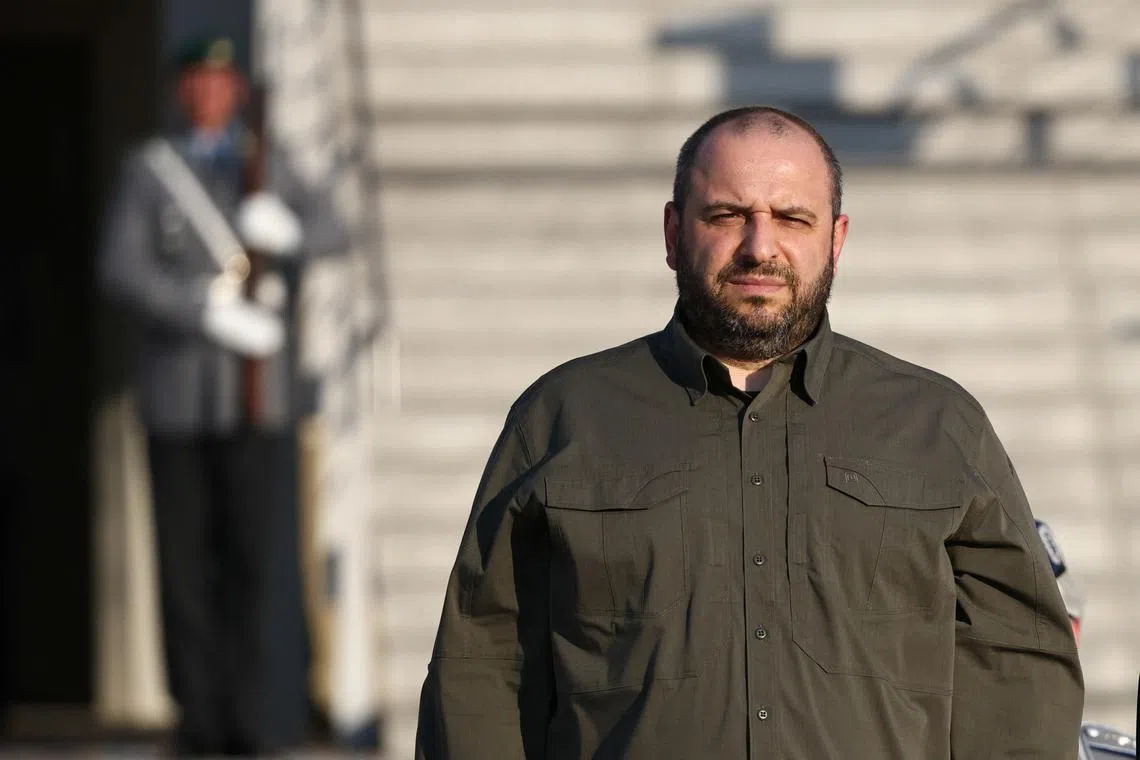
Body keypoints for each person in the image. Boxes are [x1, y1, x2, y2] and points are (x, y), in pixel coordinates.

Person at [414, 106, 1084, 759]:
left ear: (836, 239)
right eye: (727, 215)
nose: (760, 246)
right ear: (674, 233)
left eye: (792, 218)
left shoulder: (939, 425)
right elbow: (483, 667)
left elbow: (1019, 668)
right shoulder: (562, 418)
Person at [99, 35, 349, 757]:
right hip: (180, 399)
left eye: (222, 80)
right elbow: (121, 266)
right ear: (184, 91)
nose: (211, 93)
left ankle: (249, 715)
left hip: (256, 401)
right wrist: (198, 308)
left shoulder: (264, 167)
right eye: (199, 82)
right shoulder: (153, 172)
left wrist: (291, 228)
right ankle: (197, 718)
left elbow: (336, 229)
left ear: (238, 89)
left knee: (251, 565)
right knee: (183, 568)